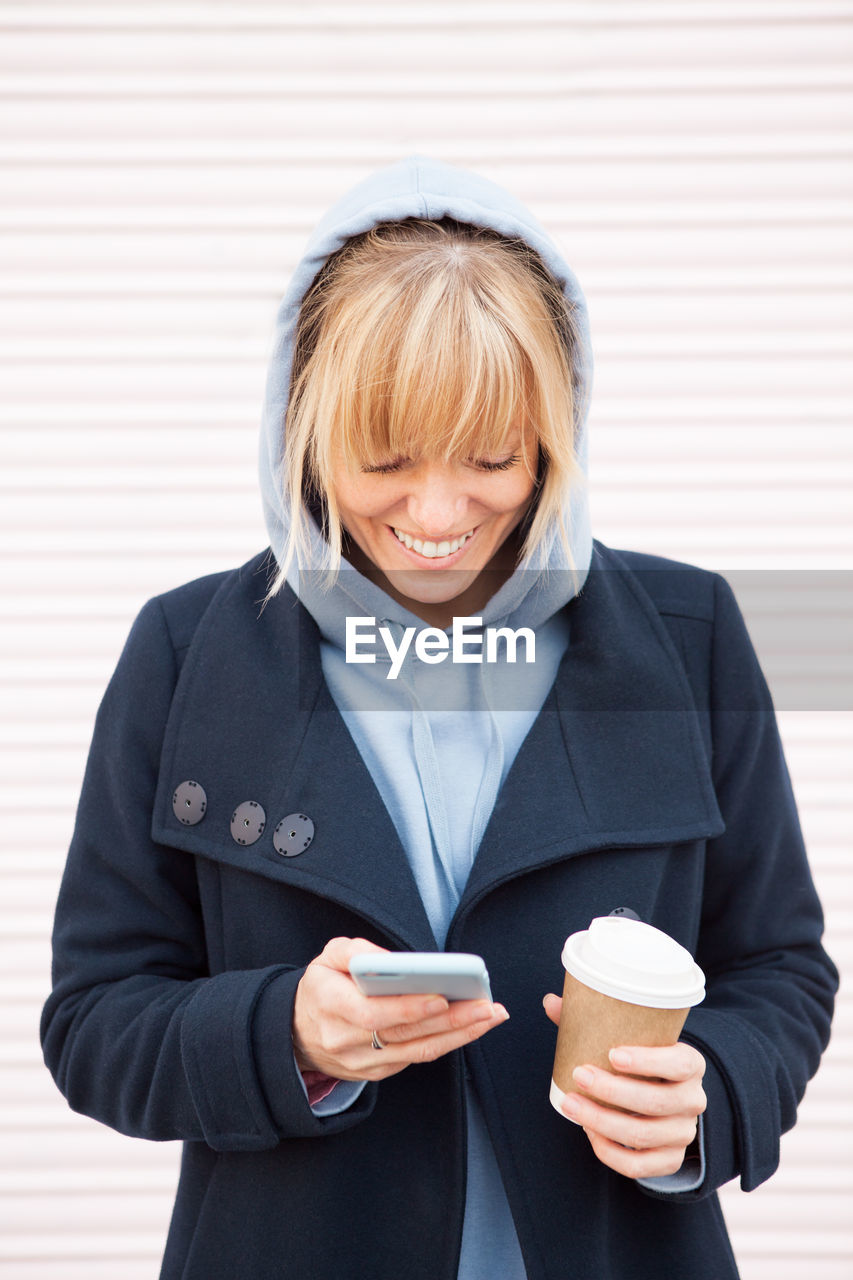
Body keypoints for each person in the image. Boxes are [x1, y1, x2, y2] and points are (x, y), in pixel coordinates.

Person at [41, 155, 837, 1280]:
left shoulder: (687, 631)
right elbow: (94, 1018)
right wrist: (288, 1036)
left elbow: (779, 965)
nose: (436, 512)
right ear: (300, 426)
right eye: (385, 459)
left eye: (491, 457)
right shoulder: (184, 655)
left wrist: (707, 1093)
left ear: (557, 430)